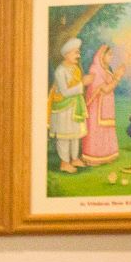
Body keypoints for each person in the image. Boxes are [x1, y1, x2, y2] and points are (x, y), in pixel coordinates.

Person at [80, 46, 123, 167]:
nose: (111, 56)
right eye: (108, 54)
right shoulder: (95, 70)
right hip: (96, 108)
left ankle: (107, 155)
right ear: (101, 55)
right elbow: (106, 88)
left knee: (106, 131)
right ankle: (93, 157)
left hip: (106, 107)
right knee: (96, 131)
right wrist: (118, 76)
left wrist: (116, 76)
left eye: (111, 54)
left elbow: (109, 83)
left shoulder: (106, 69)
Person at [49, 38, 87, 172]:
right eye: (76, 53)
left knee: (75, 134)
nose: (78, 55)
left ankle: (75, 158)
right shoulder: (60, 71)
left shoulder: (75, 68)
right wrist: (83, 84)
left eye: (78, 52)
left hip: (74, 106)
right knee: (65, 136)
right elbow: (65, 92)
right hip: (63, 107)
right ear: (67, 55)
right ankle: (64, 163)